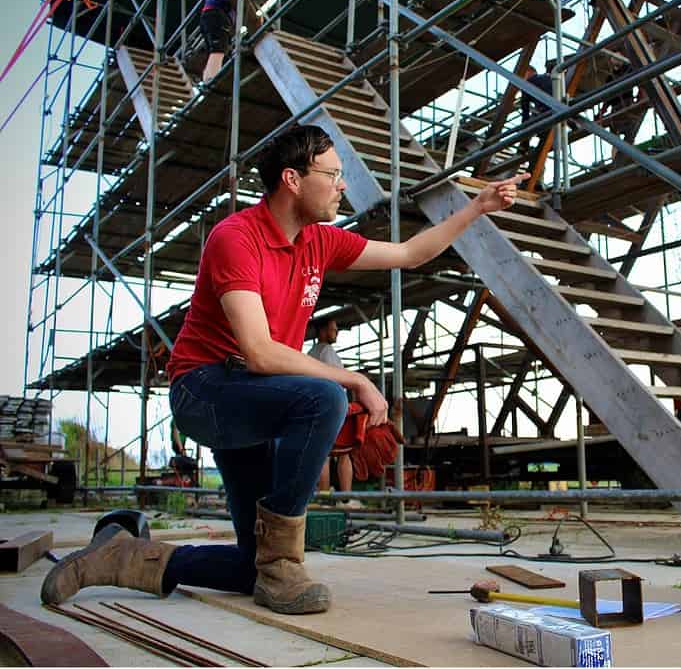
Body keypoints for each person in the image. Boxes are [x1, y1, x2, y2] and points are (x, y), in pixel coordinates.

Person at [41, 125, 527, 615]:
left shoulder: (321, 241)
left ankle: (121, 556)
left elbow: (408, 254)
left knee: (252, 567)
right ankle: (283, 564)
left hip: (253, 396)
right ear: (293, 179)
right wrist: (356, 379)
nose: (342, 185)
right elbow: (258, 351)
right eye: (332, 174)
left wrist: (476, 207)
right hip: (205, 390)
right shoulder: (237, 237)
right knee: (325, 397)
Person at [307, 316, 359, 506]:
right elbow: (340, 379)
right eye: (333, 329)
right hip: (333, 405)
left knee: (323, 453)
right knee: (344, 452)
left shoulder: (311, 353)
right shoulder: (327, 351)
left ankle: (323, 498)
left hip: (315, 406)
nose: (336, 332)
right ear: (322, 331)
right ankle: (345, 498)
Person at [199, 0, 233, 82]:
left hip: (212, 14)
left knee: (216, 52)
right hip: (216, 13)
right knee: (218, 52)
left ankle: (207, 81)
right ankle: (210, 81)